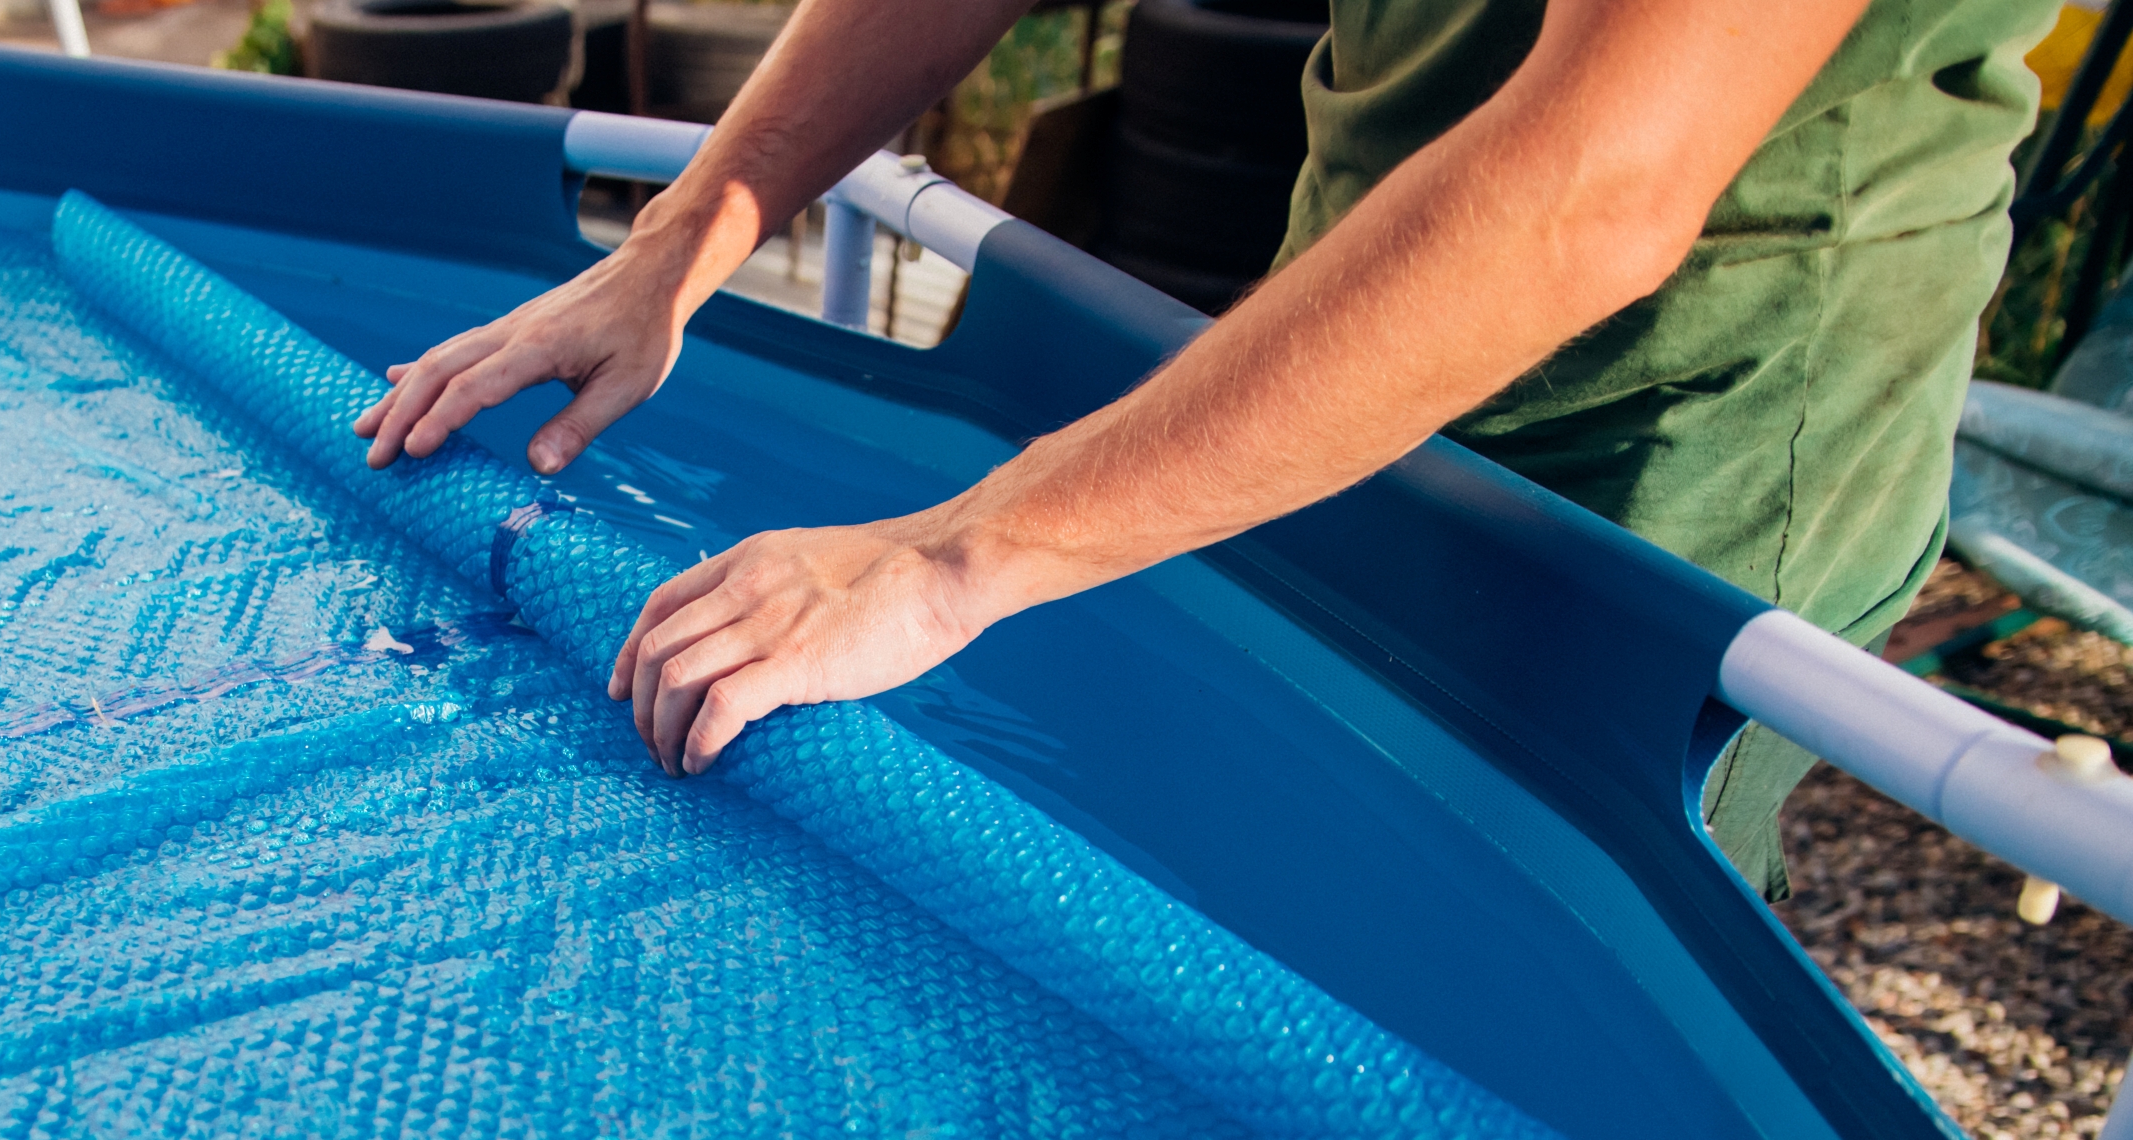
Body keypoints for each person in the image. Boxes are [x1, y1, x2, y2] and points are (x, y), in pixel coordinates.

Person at [351, 0, 2059, 898]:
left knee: (1507, 1012)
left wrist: (953, 559)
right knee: (1276, 875)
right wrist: (681, 238)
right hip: (1351, 341)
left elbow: (1593, 190)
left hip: (1684, 436)